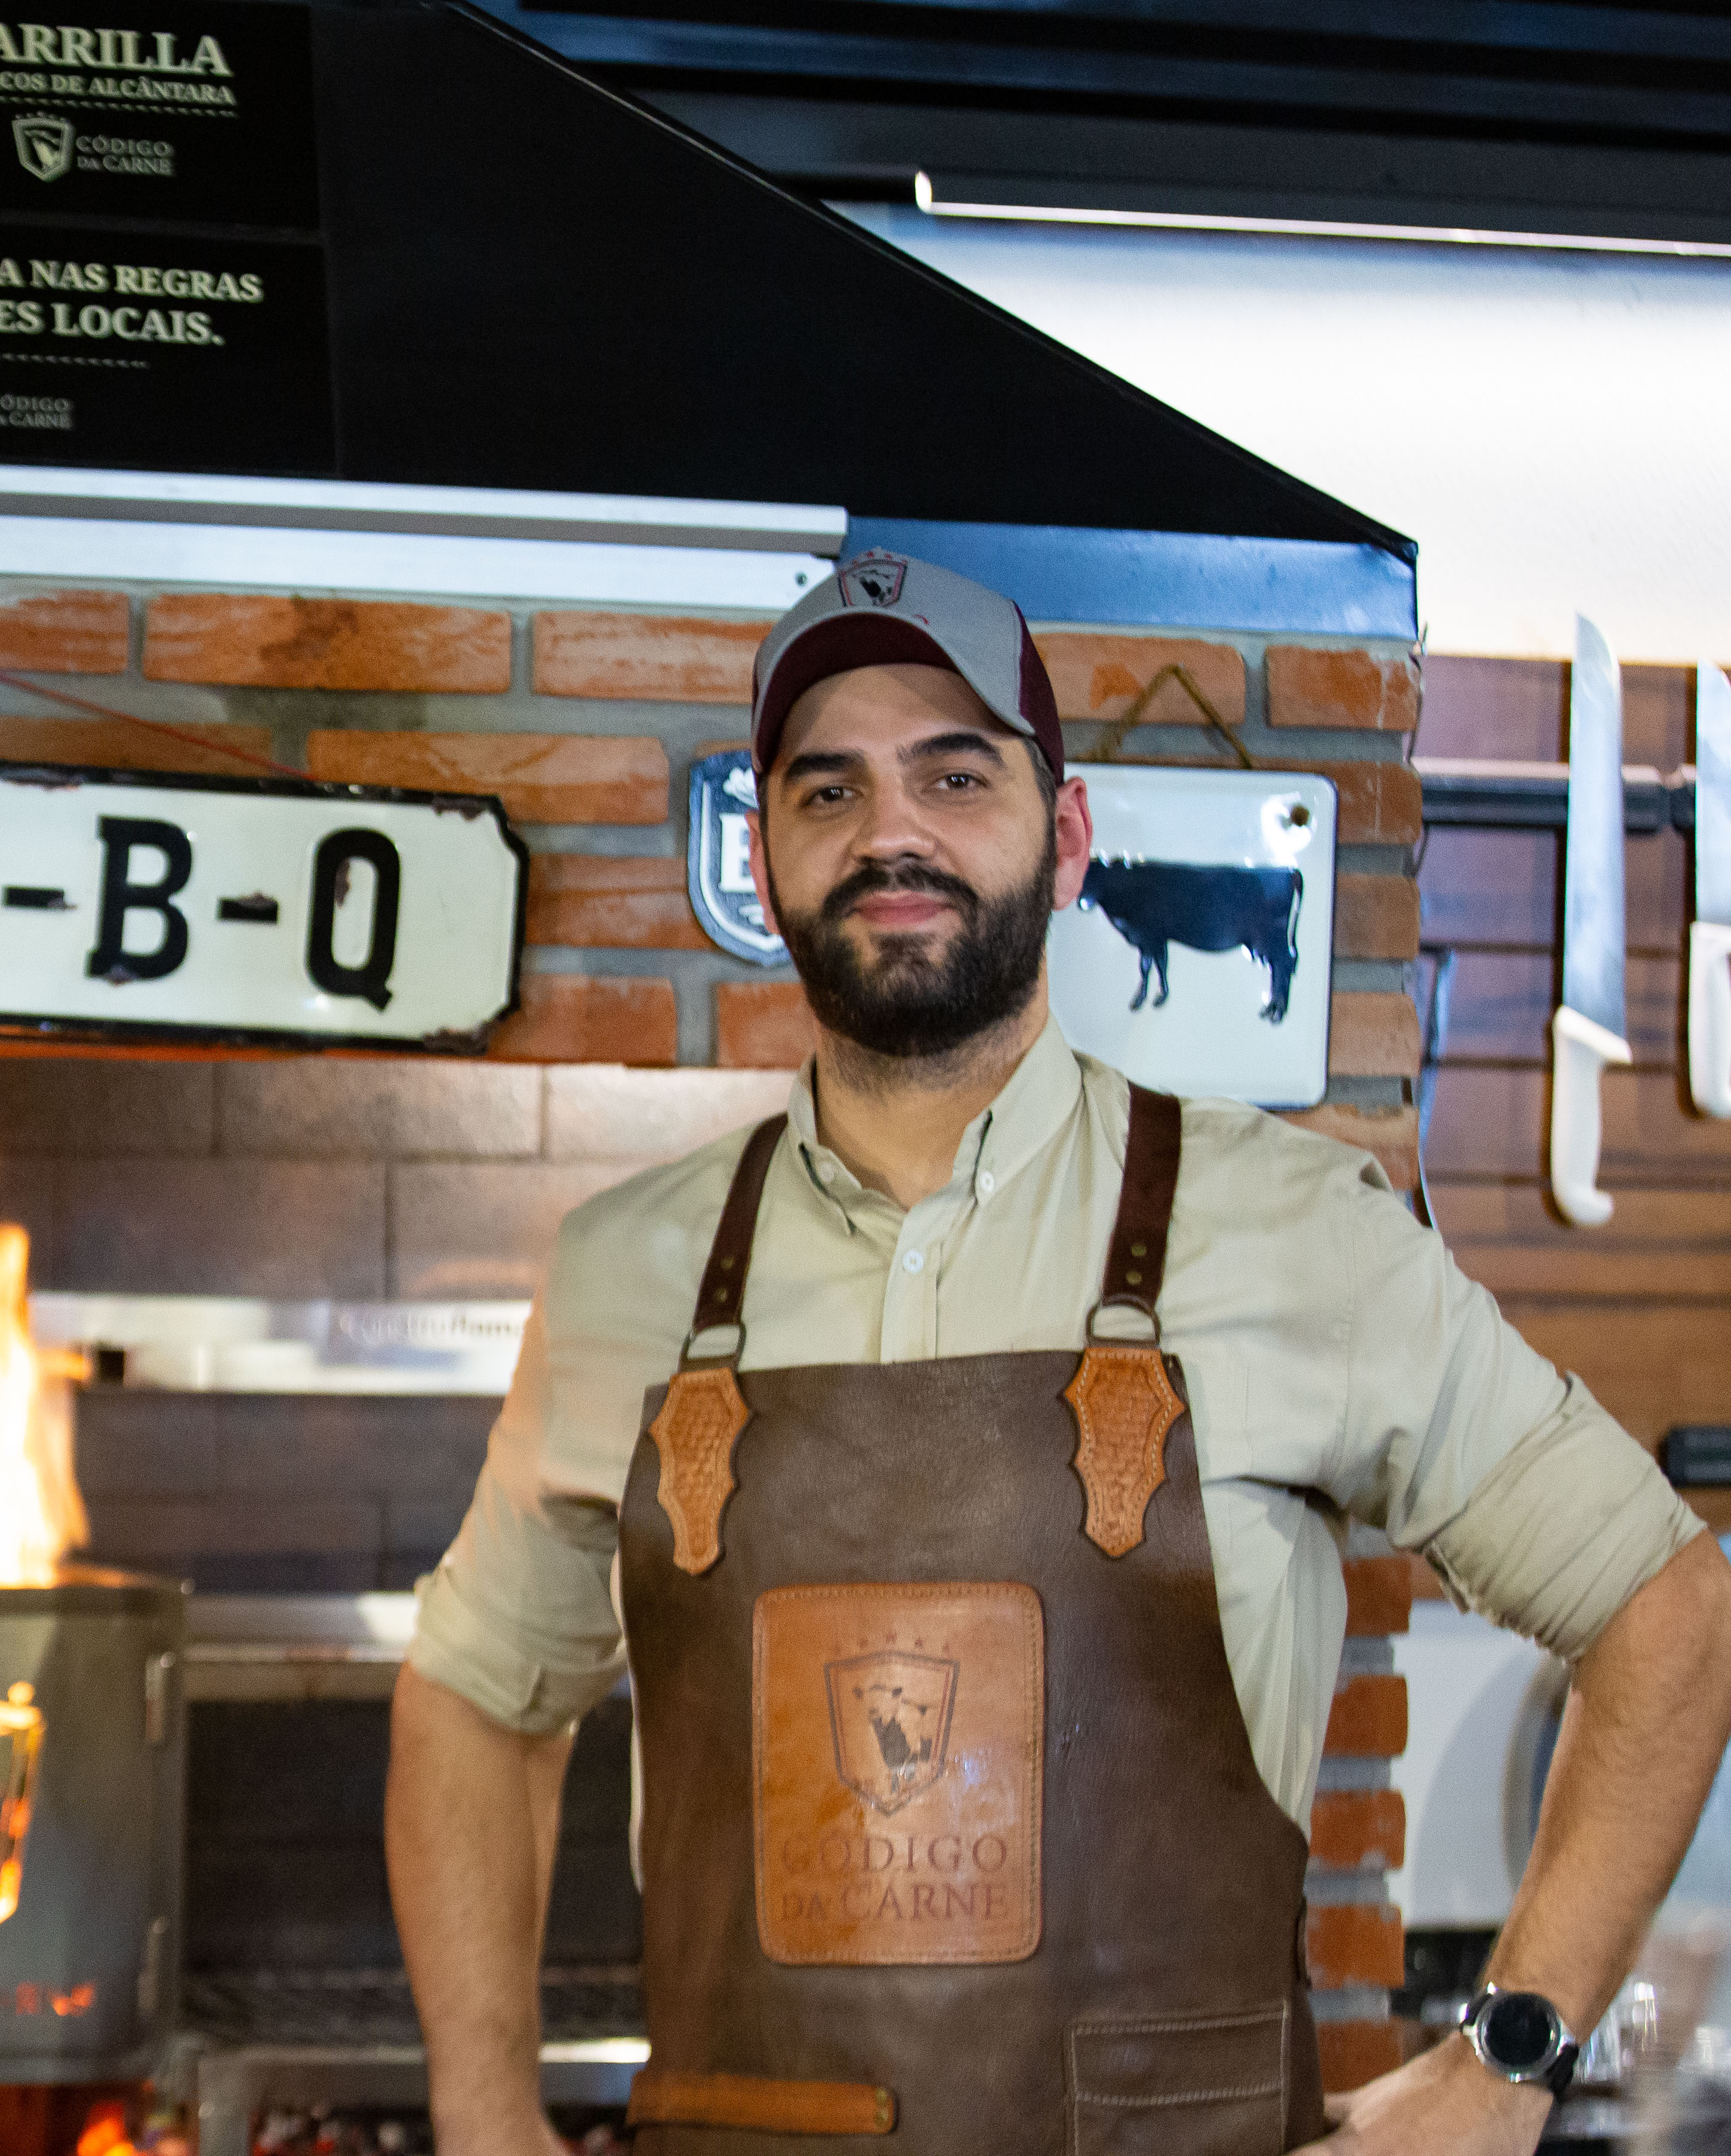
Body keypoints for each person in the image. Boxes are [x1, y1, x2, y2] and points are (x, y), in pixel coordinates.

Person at [385, 549, 1731, 2155]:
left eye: (954, 776)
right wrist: (483, 2100)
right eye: (828, 789)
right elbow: (473, 1697)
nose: (889, 831)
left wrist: (1502, 2068)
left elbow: (1668, 1607)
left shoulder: (1297, 1230)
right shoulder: (625, 1273)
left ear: (1068, 837)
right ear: (764, 857)